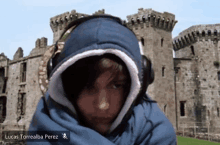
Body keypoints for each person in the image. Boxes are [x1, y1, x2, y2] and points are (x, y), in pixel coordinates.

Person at [27, 15, 177, 144]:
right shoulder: (43, 130)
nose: (103, 105)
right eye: (88, 86)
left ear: (138, 86)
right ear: (65, 87)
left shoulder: (157, 134)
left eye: (116, 85)